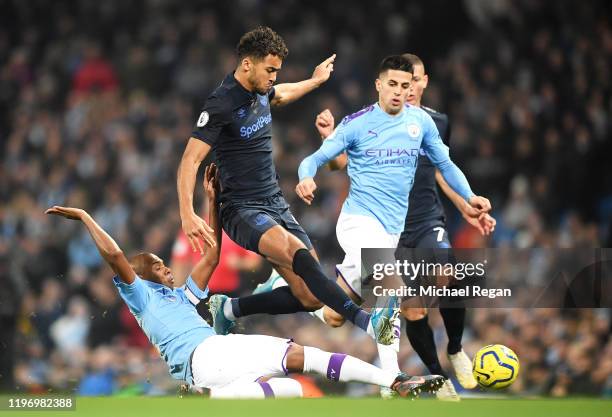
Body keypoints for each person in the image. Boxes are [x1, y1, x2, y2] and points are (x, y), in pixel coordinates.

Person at [45, 164, 444, 398]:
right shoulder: (141, 297)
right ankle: (394, 381)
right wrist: (84, 216)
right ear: (143, 275)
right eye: (156, 266)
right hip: (207, 354)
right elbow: (116, 256)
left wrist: (212, 201)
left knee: (293, 387)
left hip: (209, 363)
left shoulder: (182, 297)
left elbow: (213, 255)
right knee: (301, 358)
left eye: (162, 263)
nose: (164, 267)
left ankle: (210, 396)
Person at [289, 53, 495, 400]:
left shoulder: (423, 123)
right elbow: (316, 159)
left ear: (414, 85)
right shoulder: (357, 123)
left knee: (332, 312)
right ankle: (392, 378)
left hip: (392, 230)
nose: (399, 92)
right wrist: (306, 178)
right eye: (393, 85)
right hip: (357, 223)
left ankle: (274, 288)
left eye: (405, 85)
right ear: (379, 85)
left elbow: (447, 164)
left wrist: (470, 196)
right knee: (389, 286)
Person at [177, 26, 395, 343]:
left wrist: (316, 80)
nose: (274, 77)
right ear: (247, 64)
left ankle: (228, 310)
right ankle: (368, 323)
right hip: (240, 210)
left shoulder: (262, 89)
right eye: (270, 70)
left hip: (275, 203)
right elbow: (189, 160)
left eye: (277, 71)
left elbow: (281, 95)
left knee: (310, 297)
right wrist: (186, 213)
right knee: (296, 252)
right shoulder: (221, 104)